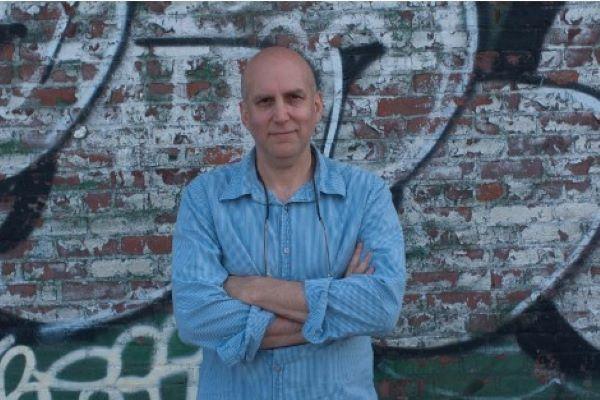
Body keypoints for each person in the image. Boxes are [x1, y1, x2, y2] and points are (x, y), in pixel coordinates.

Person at [172, 46, 406, 400]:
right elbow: (196, 316)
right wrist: (340, 311)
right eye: (265, 101)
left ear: (316, 106)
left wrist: (253, 289)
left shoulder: (365, 195)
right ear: (245, 114)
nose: (281, 114)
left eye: (293, 98)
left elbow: (380, 307)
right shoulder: (204, 198)